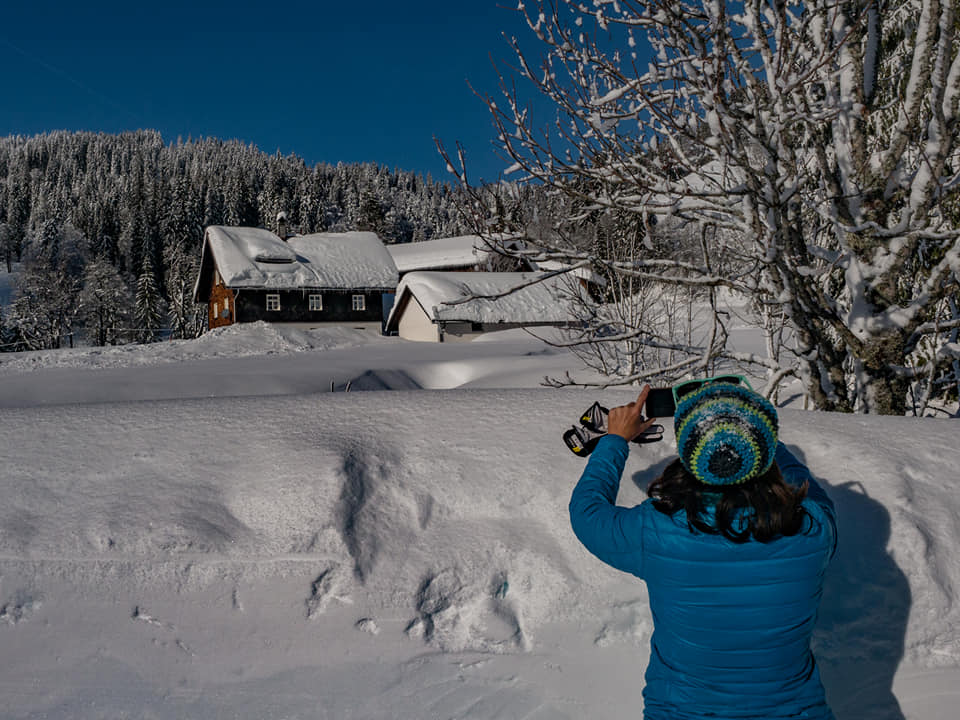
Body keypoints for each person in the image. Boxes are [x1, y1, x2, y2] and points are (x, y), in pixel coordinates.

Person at [569, 380, 837, 720]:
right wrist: (758, 437)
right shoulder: (812, 529)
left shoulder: (657, 530)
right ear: (763, 451)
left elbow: (587, 514)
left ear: (689, 452)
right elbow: (804, 485)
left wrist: (615, 440)